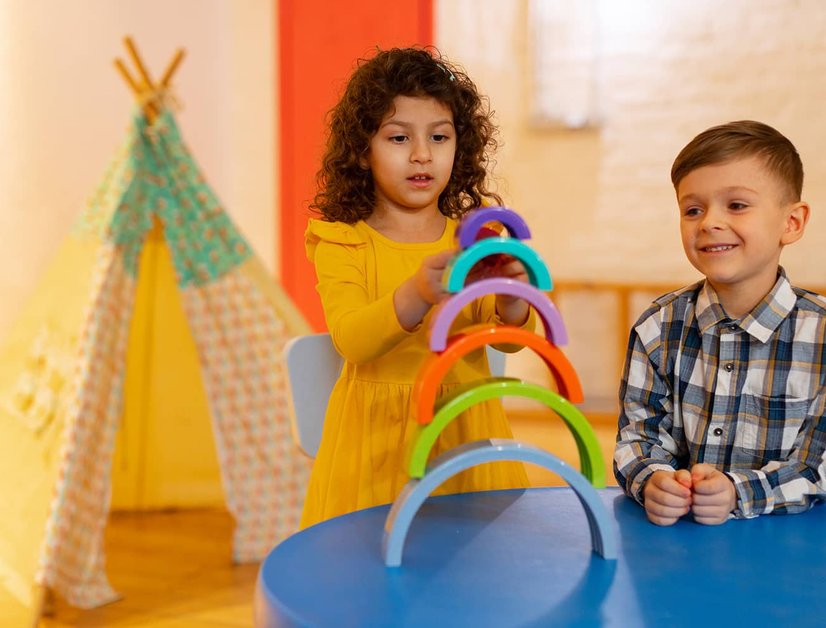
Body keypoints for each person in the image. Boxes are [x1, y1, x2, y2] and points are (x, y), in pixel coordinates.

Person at [300, 47, 532, 528]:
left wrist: (512, 299)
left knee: (473, 570)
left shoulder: (472, 239)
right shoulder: (342, 242)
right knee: (371, 574)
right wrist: (418, 293)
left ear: (459, 149)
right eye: (399, 137)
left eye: (439, 137)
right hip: (375, 447)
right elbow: (354, 341)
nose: (422, 153)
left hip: (466, 432)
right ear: (362, 151)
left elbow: (505, 341)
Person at [614, 120, 826, 526]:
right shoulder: (657, 327)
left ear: (792, 223)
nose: (709, 222)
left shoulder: (820, 335)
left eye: (737, 205)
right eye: (693, 209)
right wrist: (653, 480)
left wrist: (736, 492)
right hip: (682, 550)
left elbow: (817, 465)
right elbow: (637, 440)